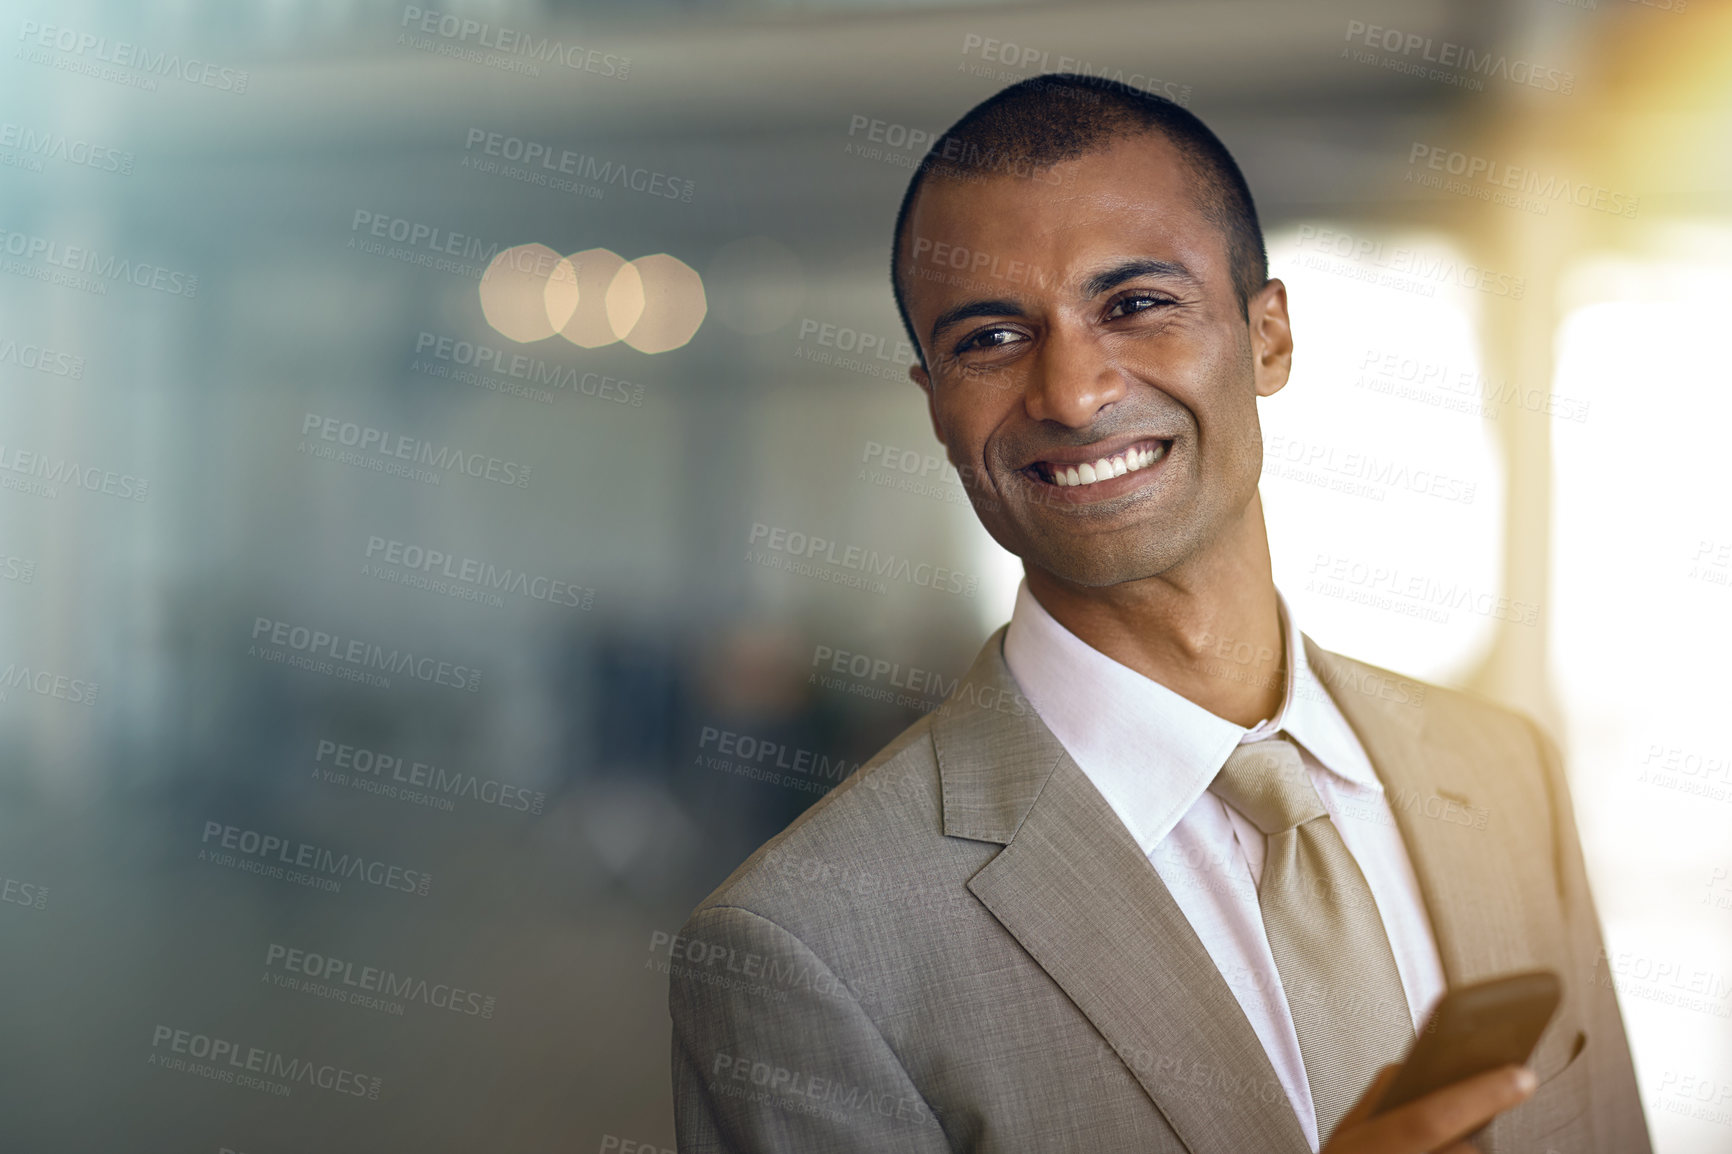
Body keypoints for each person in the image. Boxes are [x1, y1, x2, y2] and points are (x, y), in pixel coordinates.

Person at [668, 73, 1649, 1153]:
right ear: (936, 406)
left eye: (1134, 305)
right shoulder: (805, 943)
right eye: (991, 337)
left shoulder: (1505, 773)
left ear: (1268, 335)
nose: (1073, 393)